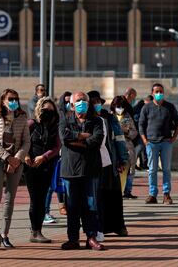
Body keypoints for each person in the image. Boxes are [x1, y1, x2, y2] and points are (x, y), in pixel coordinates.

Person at [59, 91, 105, 251]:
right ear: (72, 105)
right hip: (70, 170)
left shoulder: (97, 121)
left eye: (84, 100)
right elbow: (64, 138)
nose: (82, 103)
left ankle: (91, 238)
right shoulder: (65, 119)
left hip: (90, 169)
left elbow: (96, 140)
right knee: (72, 207)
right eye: (78, 101)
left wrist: (78, 141)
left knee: (90, 206)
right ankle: (73, 239)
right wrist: (83, 136)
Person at [0, 89, 30, 248]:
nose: (13, 102)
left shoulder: (22, 117)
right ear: (3, 100)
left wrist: (16, 159)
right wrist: (7, 158)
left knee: (10, 198)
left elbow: (26, 141)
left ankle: (4, 234)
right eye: (10, 99)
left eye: (16, 99)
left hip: (16, 161)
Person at [88, 90, 129, 240]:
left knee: (113, 194)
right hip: (92, 162)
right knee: (97, 196)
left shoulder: (109, 117)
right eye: (94, 102)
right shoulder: (86, 118)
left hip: (110, 161)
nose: (97, 104)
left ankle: (119, 226)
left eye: (98, 101)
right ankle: (99, 227)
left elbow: (119, 138)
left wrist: (122, 159)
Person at [24, 97, 61, 243]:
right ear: (39, 109)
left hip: (46, 165)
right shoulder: (32, 124)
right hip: (30, 166)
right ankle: (35, 231)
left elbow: (57, 147)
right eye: (45, 109)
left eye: (51, 110)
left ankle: (38, 230)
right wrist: (26, 155)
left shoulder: (55, 126)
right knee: (35, 199)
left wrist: (44, 157)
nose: (49, 112)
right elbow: (21, 140)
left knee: (42, 198)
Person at [139, 83, 178, 205]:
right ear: (152, 93)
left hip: (166, 142)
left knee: (166, 169)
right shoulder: (146, 108)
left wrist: (173, 138)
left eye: (161, 91)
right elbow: (141, 125)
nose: (159, 94)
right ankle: (152, 194)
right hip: (151, 143)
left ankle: (166, 194)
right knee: (152, 169)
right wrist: (145, 141)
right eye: (156, 92)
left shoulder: (170, 107)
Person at [43, 91, 72, 223]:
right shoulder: (59, 117)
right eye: (65, 101)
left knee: (62, 184)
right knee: (50, 185)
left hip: (65, 155)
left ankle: (62, 207)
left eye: (69, 102)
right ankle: (45, 212)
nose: (67, 104)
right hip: (54, 155)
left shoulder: (72, 115)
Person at [110, 96, 138, 198]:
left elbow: (134, 132)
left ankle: (127, 191)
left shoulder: (128, 117)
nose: (120, 108)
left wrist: (127, 132)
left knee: (130, 169)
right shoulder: (110, 117)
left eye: (122, 106)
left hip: (127, 145)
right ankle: (116, 191)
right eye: (118, 106)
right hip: (114, 146)